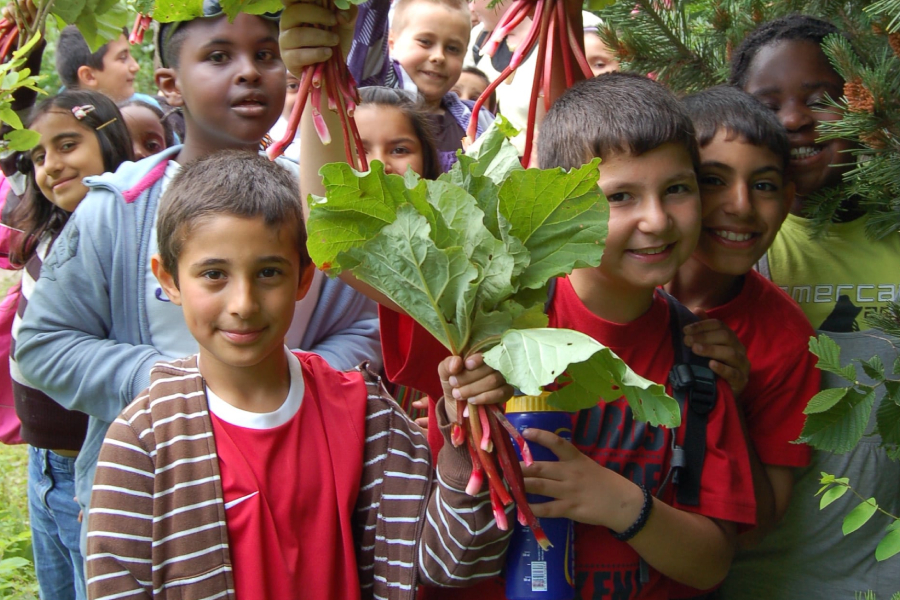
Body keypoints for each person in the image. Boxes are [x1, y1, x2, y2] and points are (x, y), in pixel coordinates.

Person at [15, 1, 381, 552]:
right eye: (218, 56)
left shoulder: (319, 202)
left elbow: (370, 326)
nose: (249, 72)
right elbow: (42, 345)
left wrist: (301, 383)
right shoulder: (116, 209)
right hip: (155, 502)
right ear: (169, 83)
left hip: (299, 497)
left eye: (266, 54)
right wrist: (171, 386)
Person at [85, 150, 513, 600]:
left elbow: (455, 561)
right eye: (214, 275)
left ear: (305, 277)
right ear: (169, 279)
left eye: (269, 272)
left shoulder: (363, 410)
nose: (243, 304)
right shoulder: (143, 441)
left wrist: (467, 418)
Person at [720, 15, 900, 599]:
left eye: (822, 100)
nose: (795, 119)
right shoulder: (718, 253)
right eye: (768, 105)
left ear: (868, 104)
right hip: (749, 576)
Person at [662, 86, 821, 597]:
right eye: (712, 181)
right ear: (674, 187)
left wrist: (722, 397)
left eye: (765, 185)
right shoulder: (609, 289)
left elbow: (761, 524)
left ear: (789, 201)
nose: (740, 206)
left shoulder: (787, 339)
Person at [9, 90, 133, 600]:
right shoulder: (49, 227)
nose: (51, 166)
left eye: (67, 145)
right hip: (43, 466)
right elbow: (9, 133)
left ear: (109, 142)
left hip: (92, 468)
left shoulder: (118, 231)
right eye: (39, 156)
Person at [388, 0, 493, 170]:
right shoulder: (371, 104)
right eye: (425, 42)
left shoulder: (482, 121)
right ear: (391, 43)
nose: (439, 56)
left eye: (453, 49)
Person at [55, 25, 155, 105]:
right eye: (123, 58)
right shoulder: (59, 126)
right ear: (89, 76)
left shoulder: (147, 107)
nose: (136, 66)